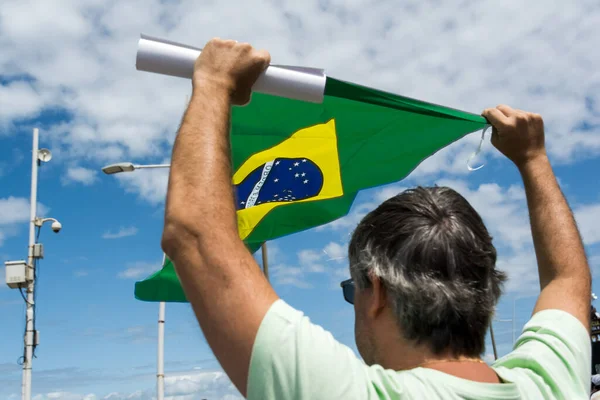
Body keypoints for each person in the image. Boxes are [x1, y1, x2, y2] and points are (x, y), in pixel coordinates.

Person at [161, 39, 591, 399]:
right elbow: (567, 283)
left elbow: (196, 237)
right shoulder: (549, 383)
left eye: (354, 289)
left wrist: (213, 82)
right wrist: (534, 158)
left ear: (378, 291)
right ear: (487, 291)